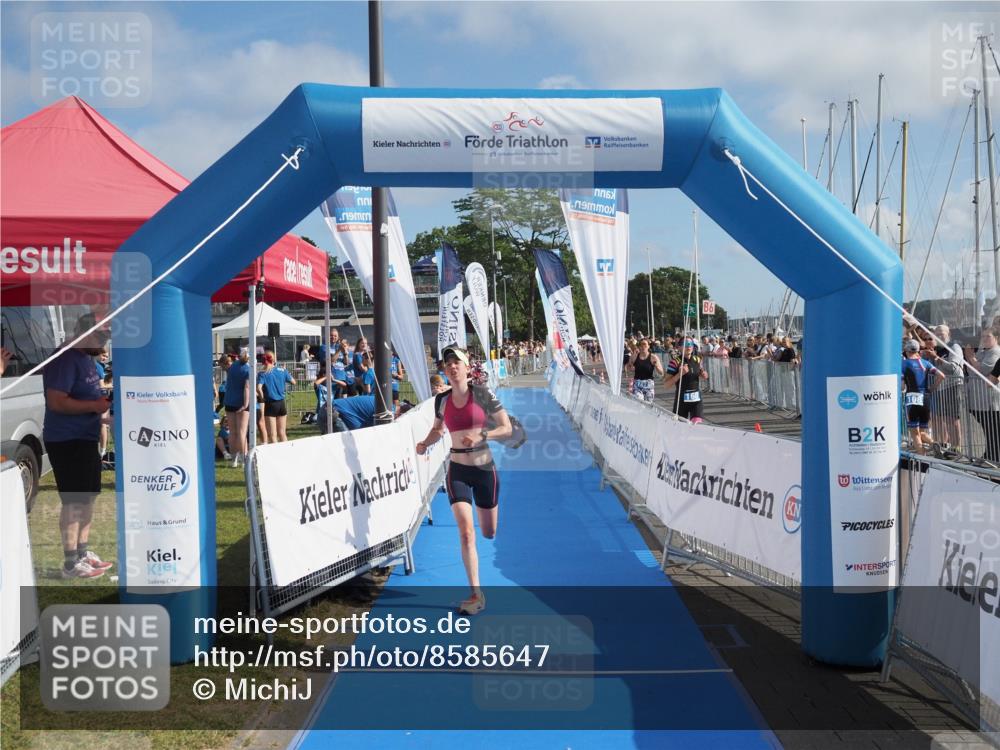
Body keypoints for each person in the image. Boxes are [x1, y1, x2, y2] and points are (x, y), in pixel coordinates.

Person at [415, 346, 512, 615]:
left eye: (456, 362)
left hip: (484, 469)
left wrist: (483, 436)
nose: (452, 366)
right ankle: (476, 593)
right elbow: (438, 430)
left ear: (467, 367)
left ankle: (488, 522)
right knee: (466, 533)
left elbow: (507, 428)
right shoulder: (441, 400)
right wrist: (424, 443)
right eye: (448, 363)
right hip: (457, 469)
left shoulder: (483, 394)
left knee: (488, 532)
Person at [43, 313, 114, 579]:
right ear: (84, 332)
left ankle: (83, 553)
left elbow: (85, 402)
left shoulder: (86, 358)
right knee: (74, 501)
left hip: (85, 438)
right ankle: (71, 563)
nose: (105, 343)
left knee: (88, 498)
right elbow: (56, 402)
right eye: (102, 336)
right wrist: (94, 406)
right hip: (67, 440)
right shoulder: (64, 358)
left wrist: (102, 415)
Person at [902, 339, 944, 454]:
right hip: (925, 397)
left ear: (906, 350)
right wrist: (932, 388)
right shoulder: (925, 363)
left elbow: (902, 386)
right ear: (918, 350)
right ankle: (933, 443)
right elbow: (941, 376)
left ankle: (922, 458)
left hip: (912, 397)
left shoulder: (903, 364)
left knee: (915, 433)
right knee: (921, 432)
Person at [965, 328, 1000, 463]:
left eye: (988, 336)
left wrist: (970, 357)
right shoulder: (981, 352)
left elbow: (984, 370)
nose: (984, 339)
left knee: (993, 429)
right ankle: (990, 454)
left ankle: (994, 456)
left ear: (996, 338)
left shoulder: (995, 352)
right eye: (983, 336)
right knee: (987, 429)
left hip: (989, 401)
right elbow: (971, 370)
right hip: (978, 400)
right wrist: (973, 361)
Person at [664, 338, 709, 423]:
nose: (688, 347)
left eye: (690, 344)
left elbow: (699, 372)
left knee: (696, 424)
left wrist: (704, 375)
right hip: (681, 401)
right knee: (680, 427)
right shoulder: (675, 362)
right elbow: (666, 385)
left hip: (696, 400)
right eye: (685, 344)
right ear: (679, 347)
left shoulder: (697, 359)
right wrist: (679, 374)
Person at [223, 348, 252, 467]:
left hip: (229, 401)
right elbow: (247, 388)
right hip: (241, 402)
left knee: (233, 432)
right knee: (242, 432)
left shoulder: (233, 366)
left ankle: (234, 460)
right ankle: (244, 459)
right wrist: (245, 404)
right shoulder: (248, 369)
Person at [258, 352, 295, 443]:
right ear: (273, 359)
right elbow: (293, 382)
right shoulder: (282, 370)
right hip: (281, 403)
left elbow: (258, 387)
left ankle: (275, 452)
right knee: (282, 433)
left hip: (270, 404)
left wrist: (262, 398)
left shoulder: (263, 373)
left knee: (272, 435)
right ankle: (286, 450)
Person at [626, 338, 664, 403]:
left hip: (649, 384)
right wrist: (631, 367)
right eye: (641, 345)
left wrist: (657, 366)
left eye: (645, 344)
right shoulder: (634, 357)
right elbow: (628, 367)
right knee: (639, 402)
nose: (643, 347)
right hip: (637, 384)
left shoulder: (653, 357)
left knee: (648, 404)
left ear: (648, 346)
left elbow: (661, 372)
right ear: (639, 347)